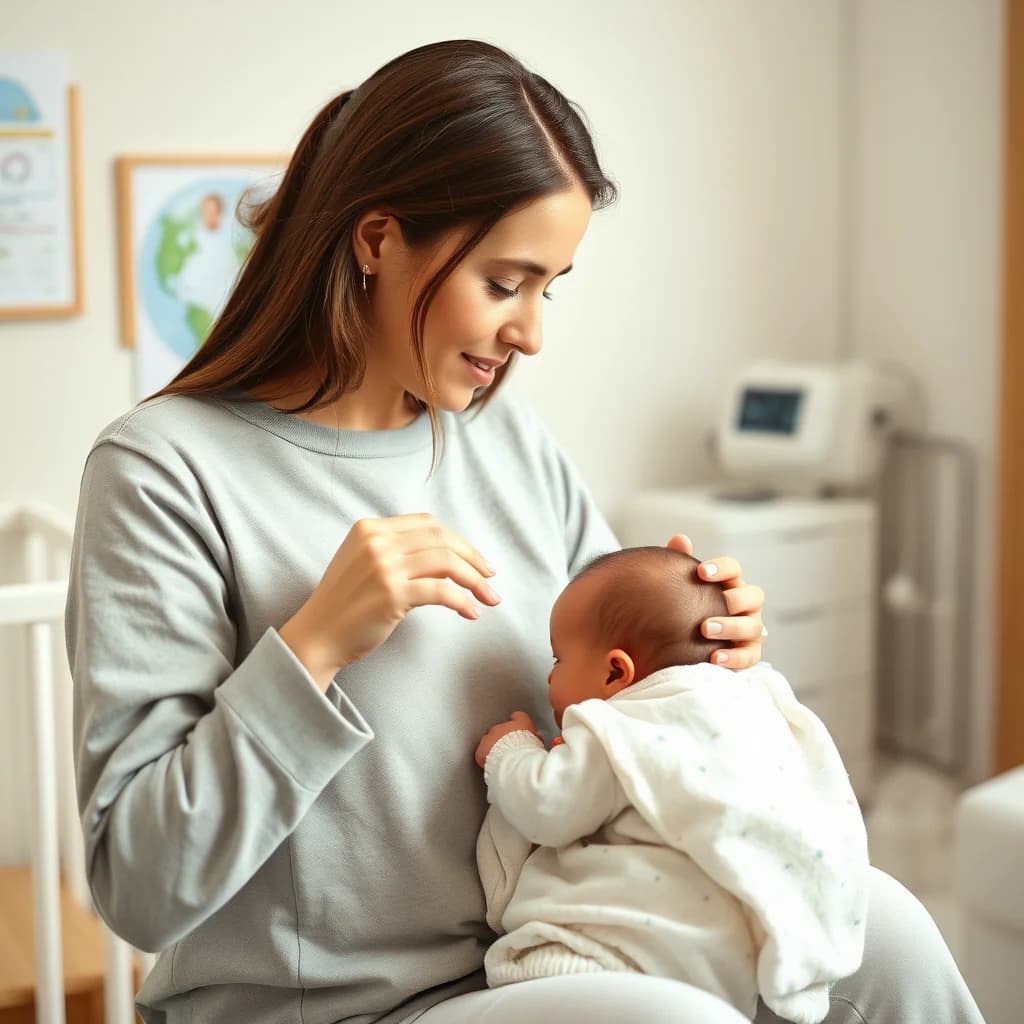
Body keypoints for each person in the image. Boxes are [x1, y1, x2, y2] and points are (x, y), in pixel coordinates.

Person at [64, 38, 984, 1024]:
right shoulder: (163, 471)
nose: (532, 331)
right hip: (350, 1009)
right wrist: (314, 643)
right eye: (506, 283)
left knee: (882, 927)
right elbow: (140, 887)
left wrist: (695, 654)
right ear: (377, 241)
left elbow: (617, 697)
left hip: (566, 943)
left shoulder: (499, 432)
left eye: (551, 286)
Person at [473, 546, 869, 1024]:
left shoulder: (620, 731)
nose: (548, 678)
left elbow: (546, 803)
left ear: (617, 671)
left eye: (557, 659)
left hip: (594, 960)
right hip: (728, 966)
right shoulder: (750, 701)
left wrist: (510, 749)